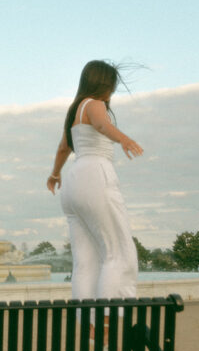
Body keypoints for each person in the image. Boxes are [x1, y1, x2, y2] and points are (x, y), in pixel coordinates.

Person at [47, 60, 142, 302]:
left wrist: (55, 174)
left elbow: (63, 148)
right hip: (95, 176)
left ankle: (90, 324)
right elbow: (101, 124)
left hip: (73, 182)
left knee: (85, 261)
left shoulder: (74, 111)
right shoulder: (95, 104)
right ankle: (106, 321)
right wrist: (123, 139)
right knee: (118, 252)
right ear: (104, 83)